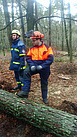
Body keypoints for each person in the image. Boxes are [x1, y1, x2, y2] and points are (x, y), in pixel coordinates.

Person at [17, 31, 54, 104]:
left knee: (44, 82)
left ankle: (44, 97)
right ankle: (25, 92)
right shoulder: (31, 49)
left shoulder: (47, 48)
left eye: (34, 40)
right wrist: (32, 65)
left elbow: (50, 59)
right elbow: (28, 58)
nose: (33, 42)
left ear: (39, 39)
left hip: (44, 67)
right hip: (34, 65)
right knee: (26, 72)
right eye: (32, 40)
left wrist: (42, 66)